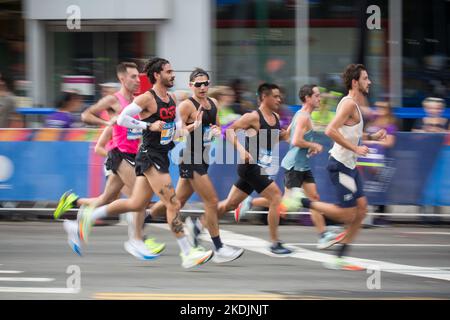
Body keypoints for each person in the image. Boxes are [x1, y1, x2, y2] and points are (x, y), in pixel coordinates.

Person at [78, 57, 214, 269]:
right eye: (169, 71)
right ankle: (187, 253)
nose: (173, 75)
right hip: (150, 156)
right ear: (157, 75)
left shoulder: (171, 99)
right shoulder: (146, 98)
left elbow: (173, 132)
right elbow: (123, 119)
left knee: (136, 204)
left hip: (161, 155)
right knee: (173, 203)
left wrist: (191, 127)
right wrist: (148, 126)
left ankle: (90, 215)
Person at [54, 62, 164, 259]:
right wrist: (107, 122)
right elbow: (86, 115)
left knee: (108, 199)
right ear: (122, 79)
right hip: (119, 154)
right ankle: (136, 240)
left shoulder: (138, 101)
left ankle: (74, 218)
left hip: (134, 154)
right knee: (139, 200)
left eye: (138, 77)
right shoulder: (113, 100)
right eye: (133, 77)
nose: (137, 80)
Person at [287, 64, 387, 270]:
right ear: (355, 82)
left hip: (349, 166)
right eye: (366, 78)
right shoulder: (348, 104)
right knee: (347, 215)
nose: (370, 82)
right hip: (340, 166)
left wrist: (371, 137)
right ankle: (301, 201)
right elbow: (332, 130)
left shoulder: (355, 105)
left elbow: (349, 132)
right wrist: (356, 148)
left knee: (362, 211)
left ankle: (340, 256)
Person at [147, 68, 244, 263]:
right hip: (190, 158)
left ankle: (141, 220)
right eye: (198, 84)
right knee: (212, 202)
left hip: (204, 157)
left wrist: (217, 130)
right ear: (191, 86)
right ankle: (219, 248)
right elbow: (173, 132)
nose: (202, 87)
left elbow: (216, 126)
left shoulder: (214, 103)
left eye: (205, 83)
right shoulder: (185, 106)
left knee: (175, 202)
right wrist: (194, 127)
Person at [236, 84, 346, 249]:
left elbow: (288, 136)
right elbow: (295, 141)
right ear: (307, 98)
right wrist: (313, 145)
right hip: (294, 165)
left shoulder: (303, 115)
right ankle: (251, 202)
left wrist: (306, 145)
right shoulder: (302, 117)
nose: (319, 98)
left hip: (303, 165)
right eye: (316, 95)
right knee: (287, 203)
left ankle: (323, 235)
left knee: (313, 198)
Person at [214, 83, 291, 255]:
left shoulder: (276, 118)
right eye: (276, 96)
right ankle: (274, 242)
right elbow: (229, 131)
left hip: (259, 166)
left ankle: (199, 225)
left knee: (230, 204)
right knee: (276, 197)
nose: (279, 99)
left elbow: (268, 143)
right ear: (264, 97)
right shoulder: (253, 117)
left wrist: (283, 137)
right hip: (250, 167)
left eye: (280, 96)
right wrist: (242, 150)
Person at [358, 101, 398, 222]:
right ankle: (366, 214)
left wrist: (372, 142)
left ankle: (381, 216)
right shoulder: (372, 120)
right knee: (367, 187)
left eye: (383, 108)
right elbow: (361, 107)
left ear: (388, 110)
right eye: (378, 107)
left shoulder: (390, 125)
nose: (379, 109)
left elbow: (389, 143)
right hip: (366, 160)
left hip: (381, 160)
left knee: (380, 187)